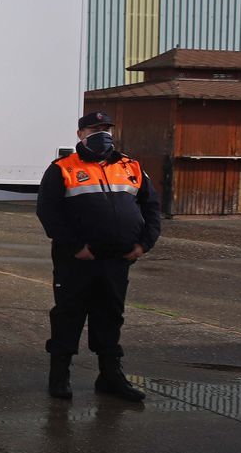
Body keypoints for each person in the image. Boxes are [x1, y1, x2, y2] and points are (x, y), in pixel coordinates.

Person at [37, 110, 162, 402]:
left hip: (118, 259)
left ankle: (110, 376)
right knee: (69, 315)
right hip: (77, 259)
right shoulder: (62, 168)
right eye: (95, 128)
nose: (102, 133)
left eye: (106, 128)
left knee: (110, 315)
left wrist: (145, 243)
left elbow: (151, 207)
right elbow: (49, 212)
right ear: (81, 134)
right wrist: (75, 246)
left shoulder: (131, 166)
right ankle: (59, 376)